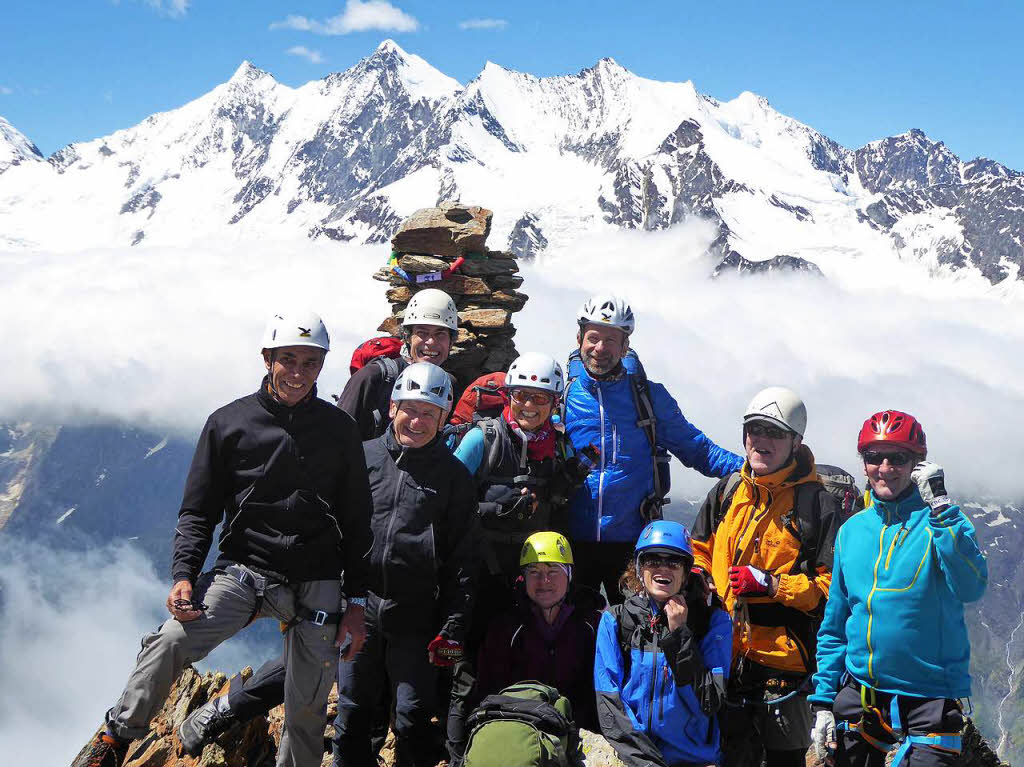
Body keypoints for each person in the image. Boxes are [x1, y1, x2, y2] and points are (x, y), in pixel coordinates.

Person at [75, 311, 373, 767]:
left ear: (322, 365)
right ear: (267, 358)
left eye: (310, 362)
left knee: (306, 709)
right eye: (288, 359)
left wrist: (355, 605)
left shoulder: (339, 431)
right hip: (246, 572)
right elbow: (198, 510)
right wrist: (183, 576)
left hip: (317, 576)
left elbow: (357, 521)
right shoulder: (229, 424)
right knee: (172, 640)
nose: (298, 372)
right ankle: (117, 737)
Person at [809, 410, 987, 767]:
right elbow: (836, 622)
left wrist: (940, 509)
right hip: (861, 693)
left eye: (899, 458)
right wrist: (824, 701)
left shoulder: (941, 522)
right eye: (875, 457)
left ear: (917, 463)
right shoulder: (852, 531)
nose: (885, 467)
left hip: (928, 699)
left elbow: (971, 586)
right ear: (863, 464)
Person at [447, 352, 595, 762]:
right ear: (508, 396)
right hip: (477, 574)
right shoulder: (484, 438)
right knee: (469, 672)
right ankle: (466, 755)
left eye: (540, 398)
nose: (529, 406)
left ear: (554, 403)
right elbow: (446, 501)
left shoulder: (558, 447)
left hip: (530, 580)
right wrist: (493, 510)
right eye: (521, 396)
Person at [331, 361, 480, 767]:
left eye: (429, 413)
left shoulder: (453, 479)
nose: (417, 420)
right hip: (359, 607)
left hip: (417, 616)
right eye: (410, 409)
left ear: (444, 418)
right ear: (393, 406)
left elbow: (462, 563)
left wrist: (451, 628)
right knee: (353, 712)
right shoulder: (362, 459)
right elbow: (332, 531)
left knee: (412, 717)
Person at [690, 386, 839, 767]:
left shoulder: (816, 505)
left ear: (796, 442)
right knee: (730, 755)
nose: (762, 440)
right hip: (726, 652)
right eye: (755, 429)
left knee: (784, 760)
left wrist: (772, 584)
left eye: (775, 432)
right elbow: (699, 549)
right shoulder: (727, 492)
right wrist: (700, 576)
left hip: (785, 663)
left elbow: (830, 589)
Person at [563, 294, 742, 604]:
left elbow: (697, 448)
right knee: (575, 635)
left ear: (624, 346)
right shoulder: (562, 395)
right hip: (571, 539)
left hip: (633, 542)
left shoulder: (648, 397)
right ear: (579, 338)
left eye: (611, 340)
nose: (600, 348)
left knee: (635, 634)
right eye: (593, 337)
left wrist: (751, 469)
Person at [594, 520, 732, 767]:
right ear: (639, 567)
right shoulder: (615, 621)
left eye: (674, 562)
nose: (663, 569)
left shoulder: (713, 623)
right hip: (634, 757)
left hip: (693, 759)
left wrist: (679, 634)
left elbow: (710, 700)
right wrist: (645, 761)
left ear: (686, 572)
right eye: (653, 560)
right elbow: (609, 702)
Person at [471, 532, 603, 732]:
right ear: (523, 578)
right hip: (519, 727)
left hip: (579, 730)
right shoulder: (506, 627)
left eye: (553, 571)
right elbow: (489, 689)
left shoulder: (592, 625)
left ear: (569, 575)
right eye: (534, 572)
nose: (544, 581)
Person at [338, 287, 458, 439]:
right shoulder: (372, 378)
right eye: (422, 333)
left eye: (440, 334)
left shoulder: (450, 385)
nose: (431, 342)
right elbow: (337, 438)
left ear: (451, 342)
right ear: (407, 337)